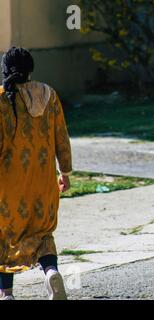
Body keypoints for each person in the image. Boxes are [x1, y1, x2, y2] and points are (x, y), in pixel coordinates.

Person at [0, 47, 72, 300]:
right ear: (30, 69)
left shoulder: (2, 99)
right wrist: (65, 172)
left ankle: (6, 293)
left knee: (4, 235)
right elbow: (61, 137)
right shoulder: (49, 95)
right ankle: (51, 271)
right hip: (44, 184)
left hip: (8, 187)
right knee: (42, 234)